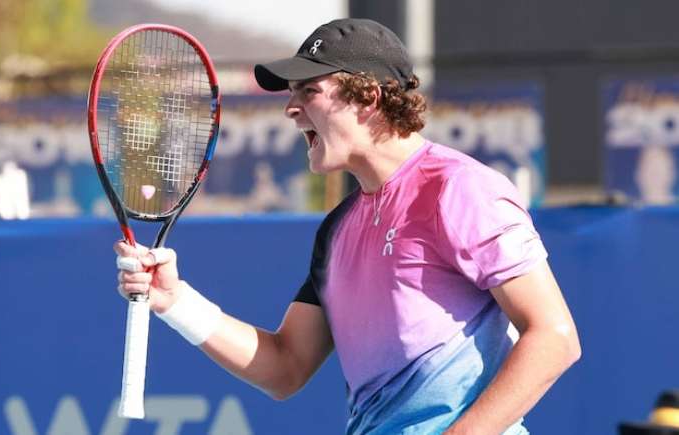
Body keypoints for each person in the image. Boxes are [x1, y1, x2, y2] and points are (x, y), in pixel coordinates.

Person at [115, 18, 581, 434]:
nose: (291, 108)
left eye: (308, 90)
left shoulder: (462, 189)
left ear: (368, 98)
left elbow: (554, 337)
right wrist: (175, 302)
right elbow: (285, 367)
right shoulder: (337, 228)